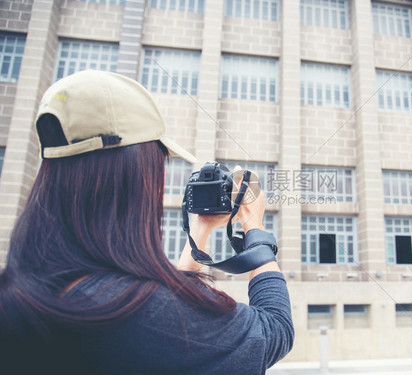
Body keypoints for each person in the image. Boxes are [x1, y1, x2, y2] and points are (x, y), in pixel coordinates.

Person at [0, 70, 294, 374]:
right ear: (136, 176)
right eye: (158, 163)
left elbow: (178, 318)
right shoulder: (132, 310)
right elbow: (274, 330)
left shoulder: (24, 292)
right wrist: (253, 226)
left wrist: (200, 229)